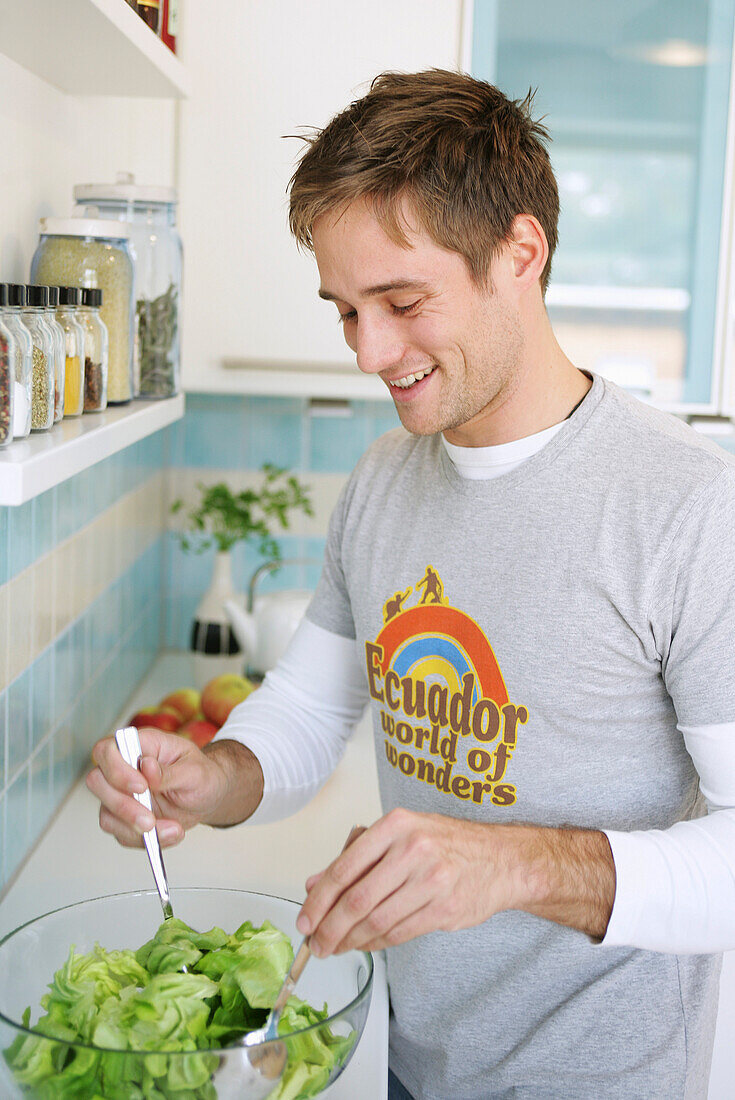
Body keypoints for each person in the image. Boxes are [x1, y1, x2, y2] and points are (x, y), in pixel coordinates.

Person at [87, 70, 735, 1099]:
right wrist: (213, 778)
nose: (371, 351)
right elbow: (308, 707)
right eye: (346, 310)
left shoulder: (690, 507)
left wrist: (513, 863)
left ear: (522, 253)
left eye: (401, 300)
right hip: (418, 1053)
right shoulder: (387, 477)